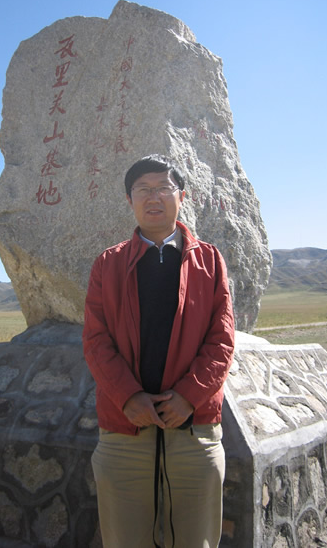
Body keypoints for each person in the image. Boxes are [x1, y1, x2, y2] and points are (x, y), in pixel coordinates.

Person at [83, 155, 235, 548]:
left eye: (164, 188)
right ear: (129, 200)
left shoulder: (210, 261)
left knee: (197, 541)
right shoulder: (108, 264)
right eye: (143, 190)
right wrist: (127, 396)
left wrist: (189, 396)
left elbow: (222, 340)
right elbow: (96, 340)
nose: (154, 197)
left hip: (194, 428)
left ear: (181, 197)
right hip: (124, 429)